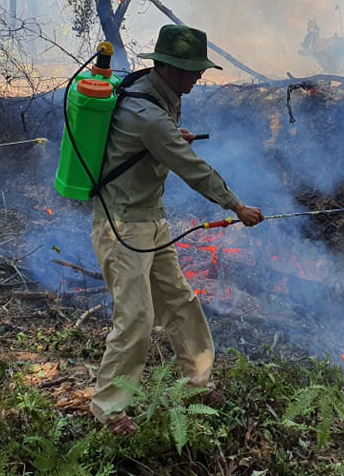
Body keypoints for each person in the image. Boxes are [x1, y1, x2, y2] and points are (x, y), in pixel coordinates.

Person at [89, 24, 263, 434]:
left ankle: (196, 384)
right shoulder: (151, 115)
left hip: (149, 218)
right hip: (122, 225)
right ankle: (109, 410)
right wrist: (236, 205)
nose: (200, 76)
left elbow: (151, 141)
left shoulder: (153, 94)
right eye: (194, 70)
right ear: (172, 68)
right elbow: (193, 169)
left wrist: (169, 137)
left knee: (180, 300)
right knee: (135, 317)